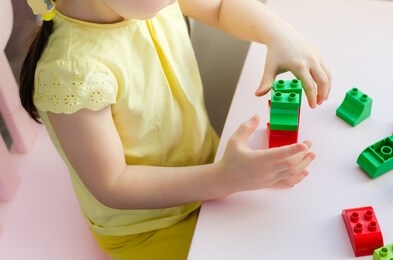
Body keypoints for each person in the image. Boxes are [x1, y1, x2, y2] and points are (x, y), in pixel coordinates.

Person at [20, 0, 332, 259]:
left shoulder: (145, 3)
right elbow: (113, 184)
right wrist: (225, 178)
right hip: (150, 227)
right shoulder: (70, 72)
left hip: (209, 167)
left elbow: (220, 6)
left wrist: (280, 33)